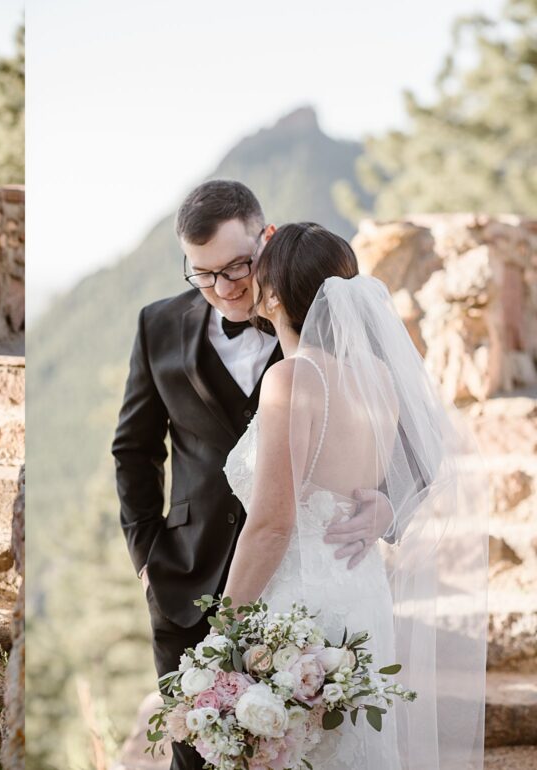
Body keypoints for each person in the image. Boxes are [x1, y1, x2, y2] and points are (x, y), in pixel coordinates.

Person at [112, 180, 398, 770]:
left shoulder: (319, 353)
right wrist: (146, 554)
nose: (224, 288)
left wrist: (389, 506)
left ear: (266, 247)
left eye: (238, 267)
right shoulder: (156, 325)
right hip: (185, 579)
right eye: (202, 274)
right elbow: (134, 449)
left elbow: (421, 450)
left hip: (299, 595)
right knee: (195, 756)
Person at [220, 222, 487, 768]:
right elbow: (410, 460)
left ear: (272, 296)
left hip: (299, 605)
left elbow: (273, 523)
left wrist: (223, 627)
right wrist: (387, 503)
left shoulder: (291, 380)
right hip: (361, 594)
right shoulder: (380, 381)